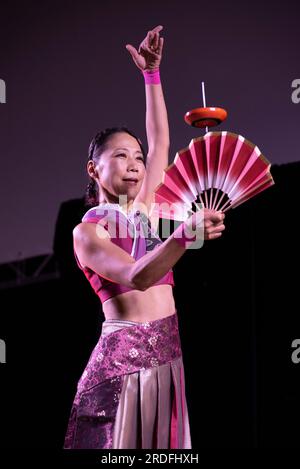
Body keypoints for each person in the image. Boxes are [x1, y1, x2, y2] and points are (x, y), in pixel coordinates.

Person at [64, 25, 225, 449]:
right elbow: (136, 276)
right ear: (93, 169)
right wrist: (185, 236)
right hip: (120, 370)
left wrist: (152, 75)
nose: (135, 164)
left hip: (168, 362)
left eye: (137, 158)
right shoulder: (88, 232)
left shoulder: (145, 212)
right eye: (120, 155)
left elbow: (160, 141)